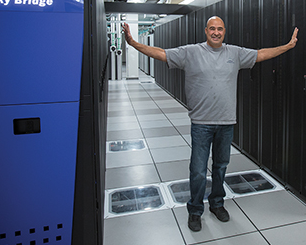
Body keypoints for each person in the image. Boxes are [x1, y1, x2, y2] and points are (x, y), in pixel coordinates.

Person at [122, 16, 298, 232]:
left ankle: (217, 204)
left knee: (220, 167)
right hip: (201, 123)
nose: (216, 32)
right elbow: (162, 53)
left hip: (226, 122)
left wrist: (288, 47)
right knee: (197, 170)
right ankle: (195, 210)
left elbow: (260, 54)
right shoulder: (191, 52)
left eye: (220, 29)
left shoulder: (235, 53)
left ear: (225, 31)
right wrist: (133, 44)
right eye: (212, 29)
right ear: (206, 31)